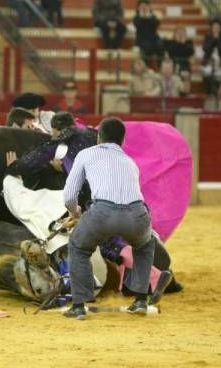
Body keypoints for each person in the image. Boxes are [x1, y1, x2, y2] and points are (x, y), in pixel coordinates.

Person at [63, 117, 156, 320]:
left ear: (99, 137)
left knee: (78, 246)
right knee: (145, 246)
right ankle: (140, 299)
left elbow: (70, 194)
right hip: (137, 214)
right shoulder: (130, 162)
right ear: (122, 141)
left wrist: (75, 213)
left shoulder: (86, 154)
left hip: (102, 214)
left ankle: (79, 305)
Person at [201, 19, 221, 96]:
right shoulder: (207, 37)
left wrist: (218, 39)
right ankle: (211, 93)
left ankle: (215, 93)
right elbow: (206, 49)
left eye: (218, 27)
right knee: (208, 77)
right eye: (214, 27)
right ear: (211, 28)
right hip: (208, 63)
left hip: (219, 65)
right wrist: (214, 39)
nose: (216, 29)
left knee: (219, 78)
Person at [133, 0, 162, 65]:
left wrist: (148, 15)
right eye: (142, 6)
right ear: (138, 8)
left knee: (161, 48)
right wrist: (142, 15)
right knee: (145, 51)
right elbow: (137, 24)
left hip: (153, 41)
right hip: (142, 41)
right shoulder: (136, 17)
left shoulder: (152, 16)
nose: (144, 8)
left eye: (146, 6)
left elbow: (156, 23)